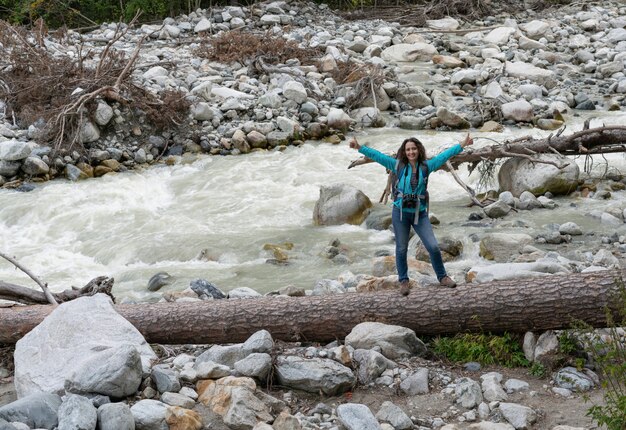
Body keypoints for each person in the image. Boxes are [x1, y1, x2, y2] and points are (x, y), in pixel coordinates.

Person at [349, 134, 473, 295]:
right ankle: (404, 281)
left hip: (419, 215)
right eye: (408, 149)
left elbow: (445, 156)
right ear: (404, 151)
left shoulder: (427, 166)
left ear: (419, 150)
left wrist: (463, 144)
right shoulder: (397, 165)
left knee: (433, 247)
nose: (411, 152)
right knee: (401, 249)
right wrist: (359, 147)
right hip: (400, 214)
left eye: (413, 148)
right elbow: (378, 156)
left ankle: (442, 277)